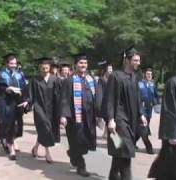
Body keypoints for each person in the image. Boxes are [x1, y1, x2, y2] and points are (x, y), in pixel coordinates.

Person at [104, 47, 147, 180]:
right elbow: (110, 99)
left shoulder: (134, 77)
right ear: (127, 60)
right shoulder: (116, 76)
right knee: (126, 149)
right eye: (135, 60)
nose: (138, 63)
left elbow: (138, 98)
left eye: (139, 61)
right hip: (119, 121)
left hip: (131, 119)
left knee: (120, 153)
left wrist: (141, 114)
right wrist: (110, 119)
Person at [60, 53, 97, 177]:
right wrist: (64, 115)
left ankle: (72, 153)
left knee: (85, 141)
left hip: (89, 117)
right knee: (78, 140)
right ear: (75, 65)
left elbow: (96, 97)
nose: (83, 65)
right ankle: (81, 166)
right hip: (75, 117)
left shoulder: (90, 79)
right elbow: (64, 99)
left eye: (85, 63)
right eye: (80, 63)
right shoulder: (69, 80)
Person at [0, 54, 28, 160]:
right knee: (8, 125)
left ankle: (9, 140)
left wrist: (26, 100)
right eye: (11, 63)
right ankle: (11, 149)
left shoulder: (19, 75)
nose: (13, 65)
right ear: (7, 64)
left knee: (18, 126)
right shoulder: (0, 75)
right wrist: (6, 89)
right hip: (5, 104)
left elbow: (25, 87)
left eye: (15, 63)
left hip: (17, 103)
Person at [27, 57, 61, 163]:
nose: (44, 69)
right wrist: (27, 101)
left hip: (52, 110)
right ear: (40, 68)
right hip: (39, 108)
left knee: (45, 130)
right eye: (42, 67)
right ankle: (47, 153)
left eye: (46, 67)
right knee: (45, 128)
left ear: (50, 67)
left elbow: (59, 96)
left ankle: (35, 147)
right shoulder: (35, 80)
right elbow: (30, 94)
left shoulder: (55, 79)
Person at [135, 67, 159, 154]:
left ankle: (132, 142)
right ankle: (149, 147)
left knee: (141, 129)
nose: (149, 75)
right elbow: (136, 97)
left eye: (150, 74)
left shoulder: (153, 84)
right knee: (144, 129)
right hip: (141, 110)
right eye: (147, 74)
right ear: (144, 74)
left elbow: (156, 96)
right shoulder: (140, 84)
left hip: (149, 111)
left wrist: (155, 103)